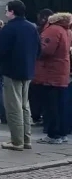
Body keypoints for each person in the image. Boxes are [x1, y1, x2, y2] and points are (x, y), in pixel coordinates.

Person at [0, 0, 41, 151]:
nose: (6, 13)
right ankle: (26, 139)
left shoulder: (9, 29)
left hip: (11, 71)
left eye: (7, 10)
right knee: (24, 106)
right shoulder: (32, 27)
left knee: (14, 107)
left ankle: (17, 141)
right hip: (27, 70)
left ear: (12, 12)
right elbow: (39, 50)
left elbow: (0, 52)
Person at [34, 13, 71, 144]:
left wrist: (35, 50)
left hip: (50, 72)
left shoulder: (53, 30)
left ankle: (53, 135)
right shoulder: (65, 29)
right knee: (60, 105)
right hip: (61, 71)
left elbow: (46, 50)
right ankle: (62, 133)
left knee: (51, 106)